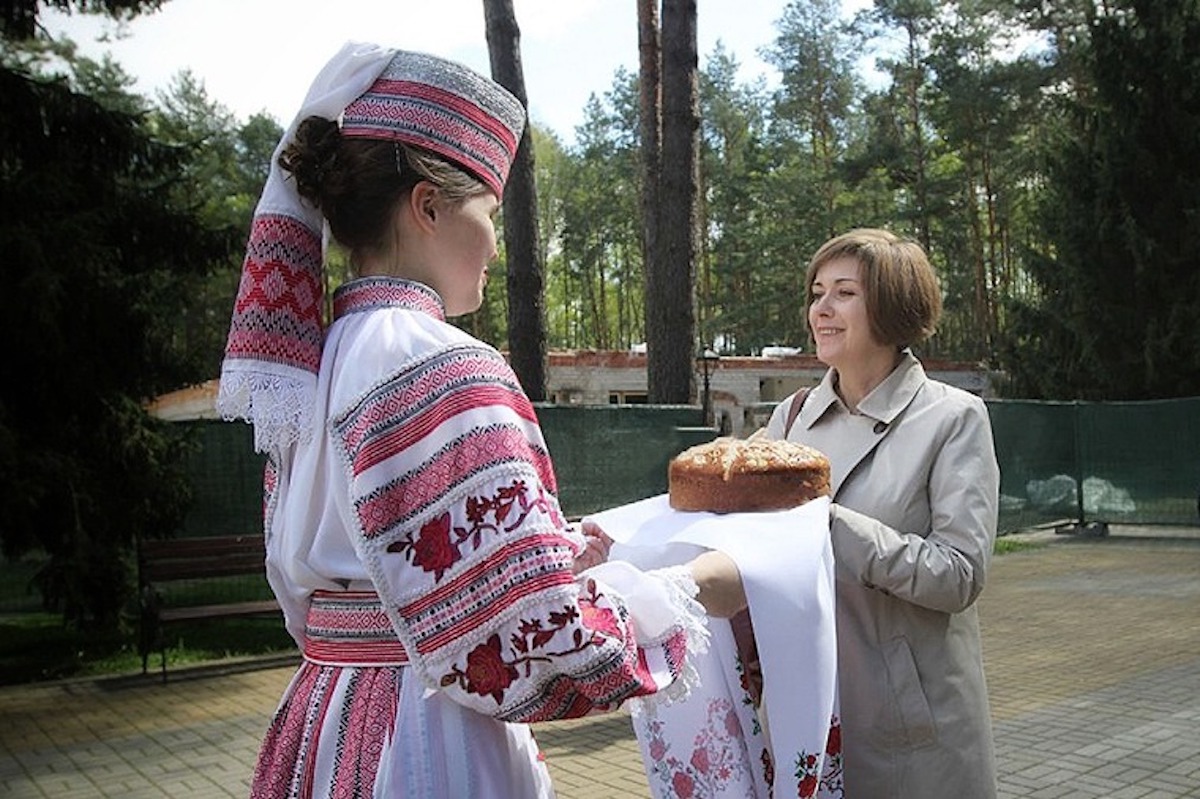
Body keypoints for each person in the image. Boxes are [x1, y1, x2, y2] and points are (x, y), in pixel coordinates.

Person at [217, 42, 744, 799]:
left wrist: (544, 555)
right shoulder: (440, 362)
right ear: (428, 206)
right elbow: (529, 641)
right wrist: (692, 587)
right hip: (425, 739)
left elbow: (367, 569)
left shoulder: (313, 362)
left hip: (325, 719)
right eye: (489, 212)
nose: (495, 242)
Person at [762, 228, 1000, 798]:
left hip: (907, 717)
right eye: (817, 292)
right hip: (806, 709)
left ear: (891, 307)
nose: (821, 308)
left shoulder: (953, 419)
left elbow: (959, 576)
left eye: (844, 292)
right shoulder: (789, 419)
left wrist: (829, 524)